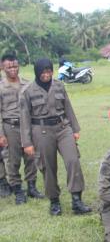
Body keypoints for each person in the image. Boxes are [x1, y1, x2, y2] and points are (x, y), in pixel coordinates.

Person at [19, 58, 91, 216]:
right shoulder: (28, 91)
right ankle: (54, 202)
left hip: (63, 128)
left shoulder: (59, 85)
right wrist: (27, 143)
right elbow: (24, 119)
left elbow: (68, 107)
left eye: (49, 71)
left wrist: (75, 128)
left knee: (73, 161)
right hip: (41, 131)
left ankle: (77, 200)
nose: (46, 74)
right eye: (43, 72)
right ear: (37, 73)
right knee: (48, 167)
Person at [0, 54, 42, 204]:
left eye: (15, 66)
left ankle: (32, 187)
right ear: (2, 67)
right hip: (9, 126)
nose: (13, 69)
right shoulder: (1, 86)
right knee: (12, 160)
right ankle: (18, 190)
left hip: (27, 126)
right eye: (9, 67)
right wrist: (1, 134)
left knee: (31, 157)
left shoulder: (27, 84)